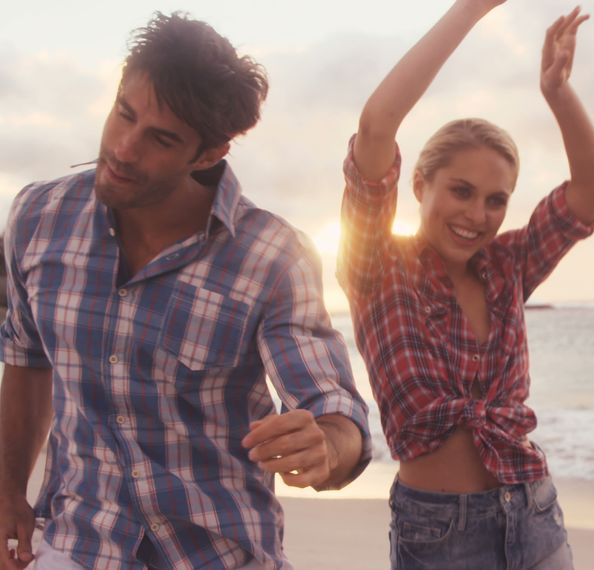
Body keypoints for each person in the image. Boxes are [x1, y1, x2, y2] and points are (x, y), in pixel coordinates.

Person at [0, 13, 372, 570]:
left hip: (218, 554)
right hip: (77, 544)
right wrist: (6, 492)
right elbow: (27, 362)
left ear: (209, 153)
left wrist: (326, 445)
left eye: (161, 139)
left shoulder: (270, 255)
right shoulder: (38, 219)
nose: (124, 149)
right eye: (124, 114)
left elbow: (331, 408)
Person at [339, 1, 594, 568]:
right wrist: (469, 12)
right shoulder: (377, 267)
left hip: (534, 511)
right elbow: (376, 127)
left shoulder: (508, 265)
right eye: (460, 191)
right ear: (420, 184)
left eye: (496, 200)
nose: (477, 215)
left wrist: (558, 93)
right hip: (441, 532)